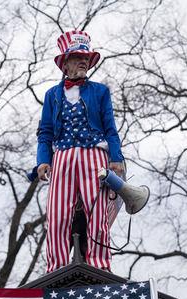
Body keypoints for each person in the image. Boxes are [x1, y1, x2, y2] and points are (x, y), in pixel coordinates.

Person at [36, 30, 124, 272]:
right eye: (77, 57)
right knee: (57, 215)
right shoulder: (52, 95)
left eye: (86, 57)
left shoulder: (100, 92)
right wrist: (43, 160)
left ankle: (99, 264)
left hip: (95, 157)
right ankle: (57, 267)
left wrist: (116, 158)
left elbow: (110, 128)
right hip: (62, 157)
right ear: (65, 64)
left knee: (97, 214)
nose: (83, 61)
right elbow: (45, 132)